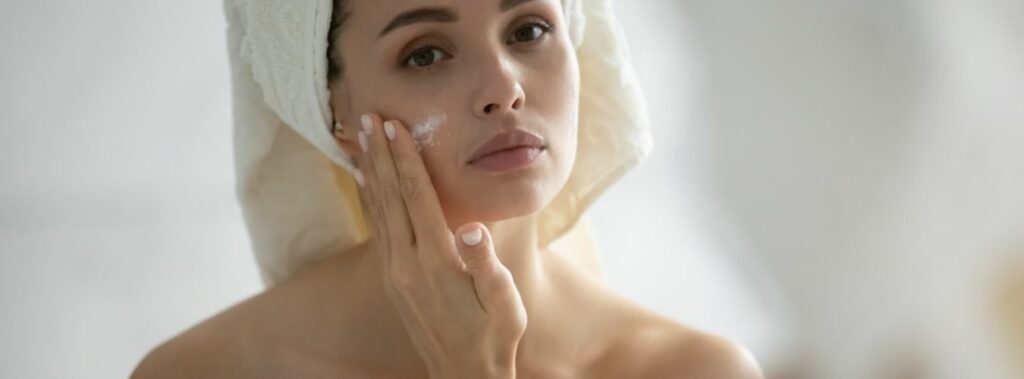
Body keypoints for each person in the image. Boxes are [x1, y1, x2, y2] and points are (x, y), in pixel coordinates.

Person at [131, 0, 763, 377]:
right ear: (330, 111)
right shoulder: (206, 373)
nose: (503, 87)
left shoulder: (691, 372)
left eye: (528, 29)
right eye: (426, 53)